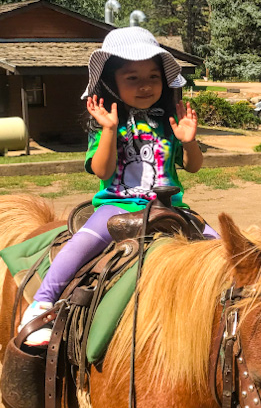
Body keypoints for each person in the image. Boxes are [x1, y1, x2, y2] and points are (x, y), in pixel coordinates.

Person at [19, 26, 218, 345]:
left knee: (221, 247)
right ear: (112, 83)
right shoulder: (105, 125)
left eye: (153, 76)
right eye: (132, 78)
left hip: (170, 209)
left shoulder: (168, 124)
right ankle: (41, 304)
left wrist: (190, 142)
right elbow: (101, 169)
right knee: (82, 245)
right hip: (118, 206)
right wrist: (109, 131)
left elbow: (193, 167)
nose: (145, 86)